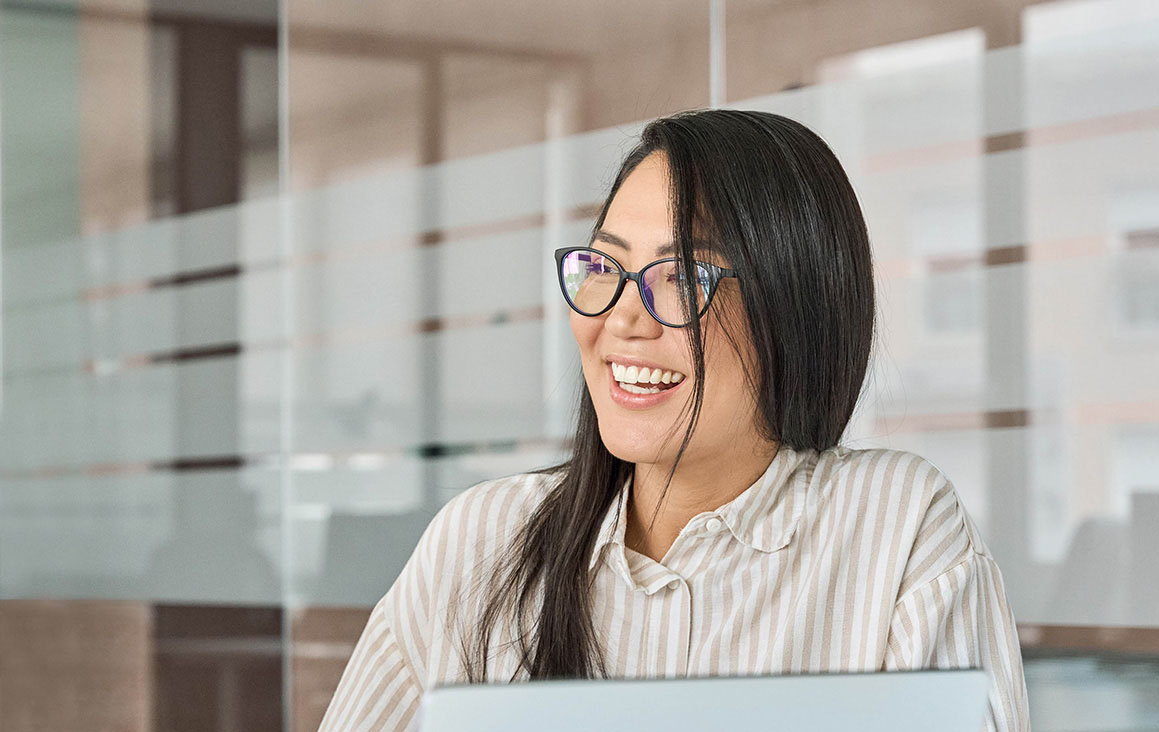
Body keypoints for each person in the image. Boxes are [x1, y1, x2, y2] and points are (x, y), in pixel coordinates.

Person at [317, 109, 1031, 732]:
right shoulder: (480, 543)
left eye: (684, 277)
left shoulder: (900, 529)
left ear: (794, 307)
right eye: (605, 267)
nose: (621, 318)